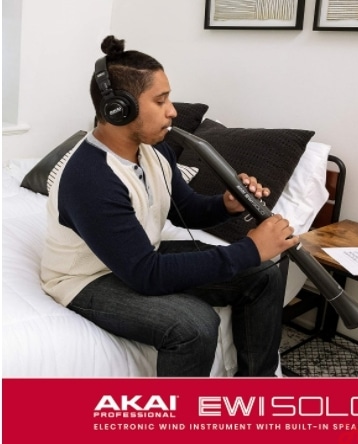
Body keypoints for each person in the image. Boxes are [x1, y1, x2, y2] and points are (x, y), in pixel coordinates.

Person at [40, 35, 299, 377]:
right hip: (87, 279)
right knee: (194, 325)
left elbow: (186, 209)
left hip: (137, 256)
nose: (172, 111)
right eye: (160, 100)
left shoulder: (155, 151)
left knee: (262, 274)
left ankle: (257, 389)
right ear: (119, 108)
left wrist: (227, 205)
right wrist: (249, 249)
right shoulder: (91, 178)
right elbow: (147, 275)